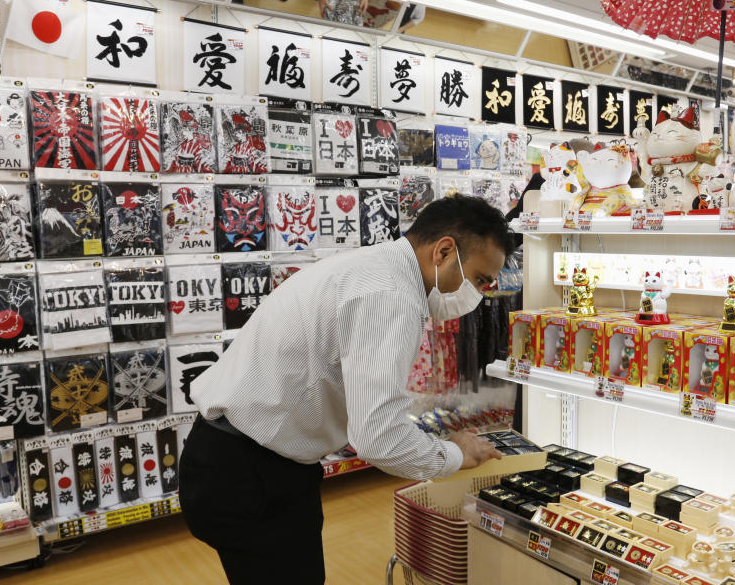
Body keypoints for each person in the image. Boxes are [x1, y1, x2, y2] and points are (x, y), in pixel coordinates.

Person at [180, 195, 512, 584]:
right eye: (480, 279)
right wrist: (456, 454)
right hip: (251, 472)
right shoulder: (390, 295)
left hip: (242, 457)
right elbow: (379, 440)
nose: (481, 294)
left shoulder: (374, 268)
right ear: (443, 251)